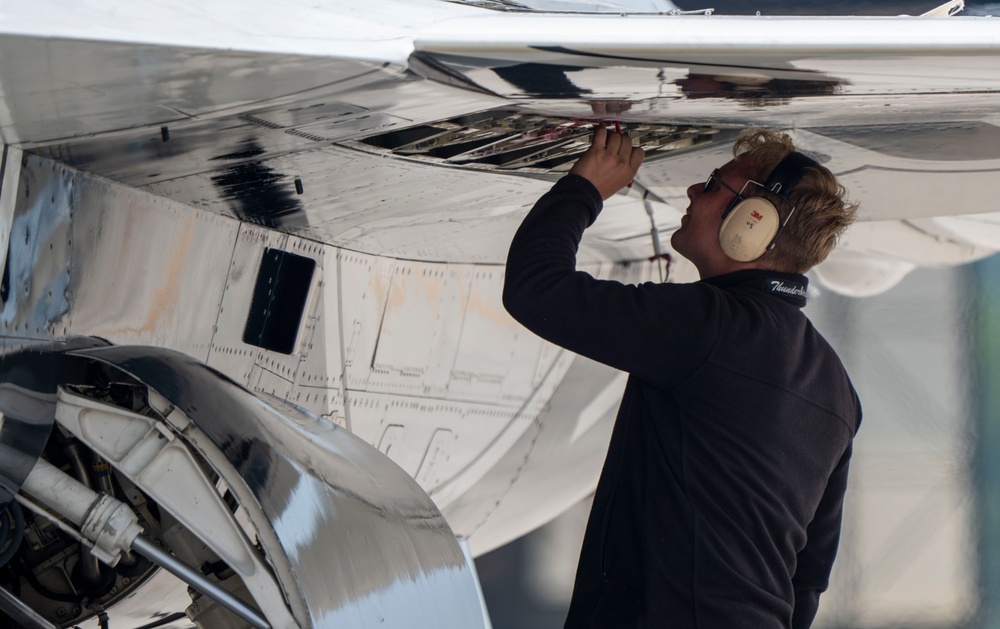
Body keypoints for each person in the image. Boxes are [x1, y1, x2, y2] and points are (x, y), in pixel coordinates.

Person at [503, 126, 862, 628]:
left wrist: (585, 188)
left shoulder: (711, 327)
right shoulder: (837, 389)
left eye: (715, 185)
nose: (694, 191)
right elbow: (806, 580)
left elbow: (535, 289)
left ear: (753, 222)